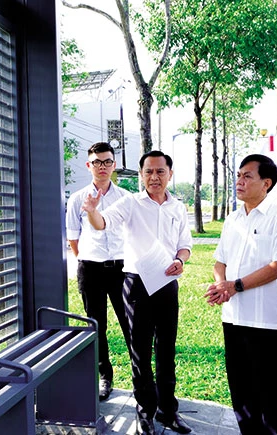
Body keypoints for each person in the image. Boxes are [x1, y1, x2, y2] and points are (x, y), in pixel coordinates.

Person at [82, 150, 193, 435]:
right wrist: (93, 210)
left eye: (160, 171)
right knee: (140, 352)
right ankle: (145, 413)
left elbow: (185, 245)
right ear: (141, 175)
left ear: (170, 174)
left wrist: (180, 260)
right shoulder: (130, 203)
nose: (154, 177)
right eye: (148, 172)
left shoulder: (178, 207)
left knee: (166, 350)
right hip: (136, 286)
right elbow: (102, 223)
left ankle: (168, 411)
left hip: (167, 283)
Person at [204, 154, 277, 435]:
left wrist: (235, 286)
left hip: (264, 319)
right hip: (233, 317)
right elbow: (220, 262)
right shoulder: (233, 219)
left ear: (266, 183)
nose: (239, 181)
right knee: (241, 390)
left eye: (247, 176)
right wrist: (221, 285)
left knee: (271, 394)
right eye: (238, 175)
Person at [65, 142, 131, 401]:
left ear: (114, 165)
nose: (102, 166)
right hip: (90, 269)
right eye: (97, 162)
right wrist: (86, 259)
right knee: (96, 325)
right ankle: (105, 376)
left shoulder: (125, 197)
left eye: (107, 161)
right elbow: (73, 237)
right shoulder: (77, 199)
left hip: (122, 269)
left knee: (131, 323)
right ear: (88, 165)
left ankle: (141, 376)